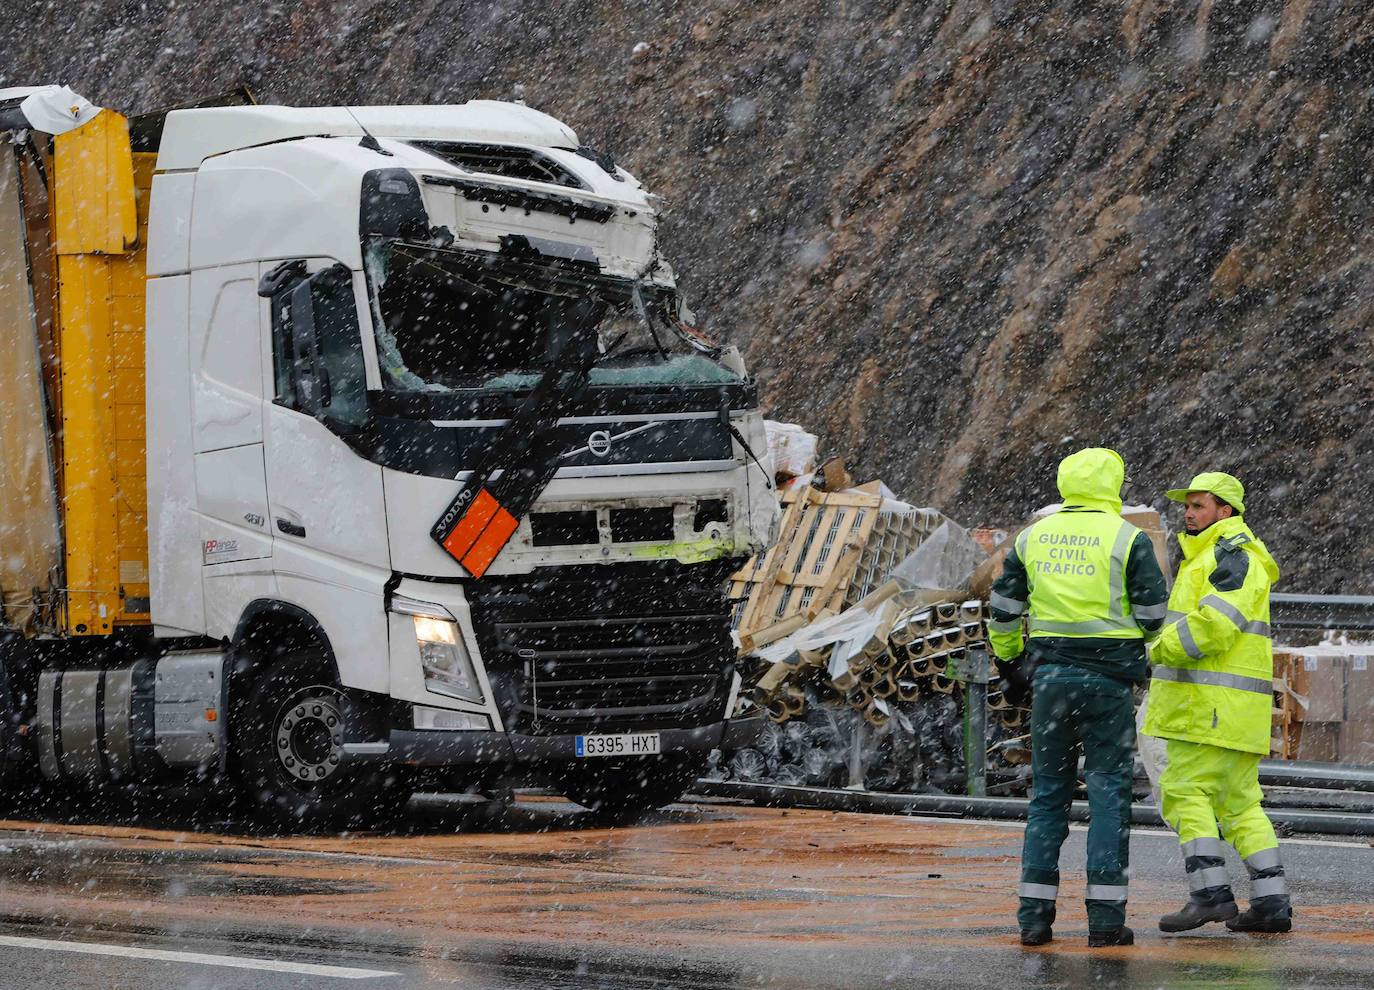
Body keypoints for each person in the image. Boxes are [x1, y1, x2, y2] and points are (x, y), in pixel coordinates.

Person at [988, 448, 1169, 948]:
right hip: (1109, 685)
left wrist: (1010, 664)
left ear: (1065, 483)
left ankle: (1033, 919)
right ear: (1114, 485)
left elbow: (1002, 612)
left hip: (1051, 683)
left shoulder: (1032, 537)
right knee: (1109, 796)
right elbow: (1154, 616)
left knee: (1048, 798)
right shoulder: (1128, 538)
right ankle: (1106, 923)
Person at [1144, 472, 1291, 934]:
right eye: (1186, 505)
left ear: (1225, 511)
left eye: (1200, 505)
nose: (1188, 513)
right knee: (1240, 806)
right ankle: (1270, 904)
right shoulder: (1224, 555)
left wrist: (1156, 647)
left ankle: (1209, 895)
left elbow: (1214, 627)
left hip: (1205, 710)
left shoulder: (1229, 555)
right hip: (1232, 713)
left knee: (1186, 793)